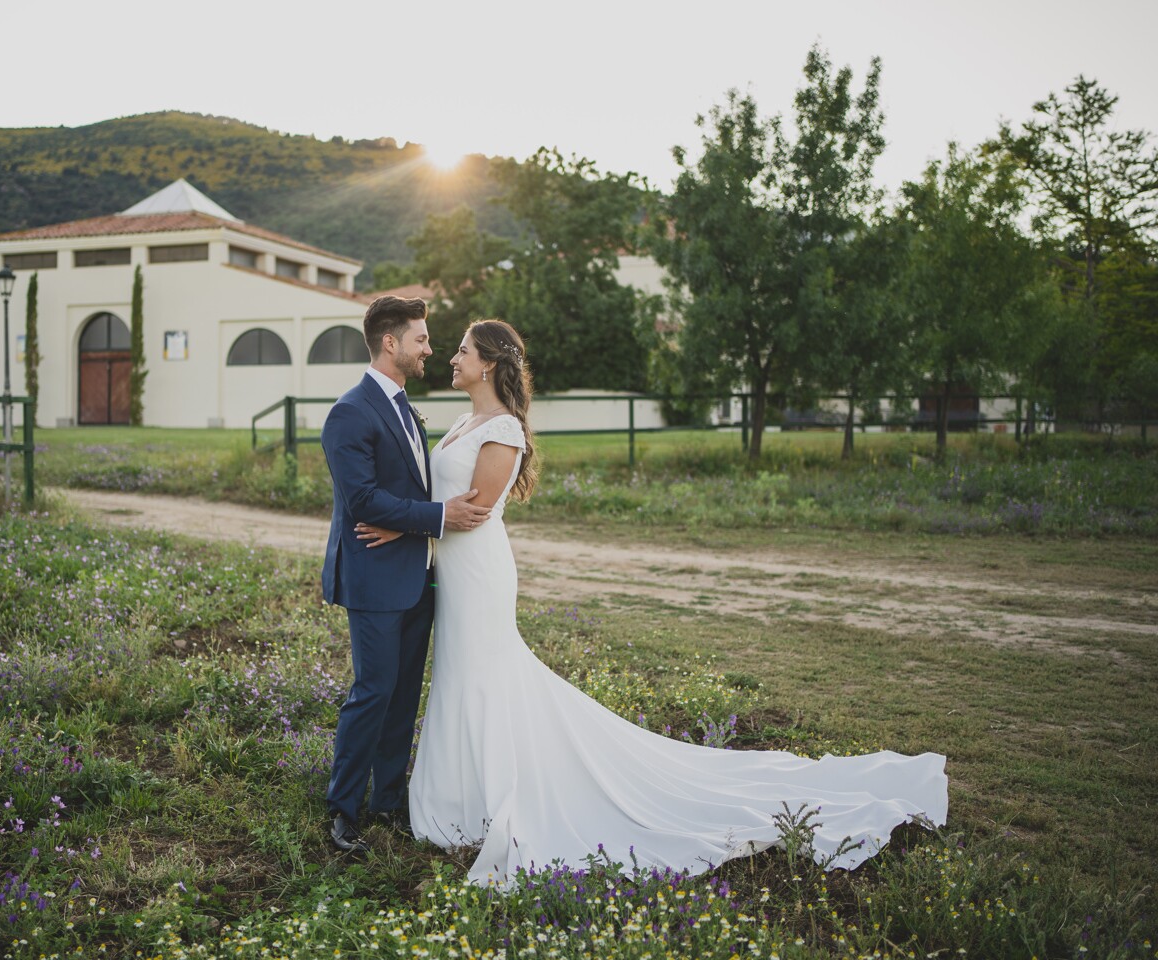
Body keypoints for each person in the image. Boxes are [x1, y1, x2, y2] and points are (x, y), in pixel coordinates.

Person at [360, 319, 948, 886]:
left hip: (480, 572)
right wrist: (406, 521)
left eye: (462, 349)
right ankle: (463, 794)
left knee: (486, 674)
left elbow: (473, 513)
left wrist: (404, 528)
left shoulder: (504, 429)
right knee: (462, 675)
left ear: (488, 363)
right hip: (453, 574)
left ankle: (493, 795)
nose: (452, 357)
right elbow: (438, 502)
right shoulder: (465, 421)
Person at [319, 295, 492, 854]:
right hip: (374, 579)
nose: (430, 350)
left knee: (402, 699)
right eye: (421, 339)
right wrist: (438, 518)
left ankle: (389, 803)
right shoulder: (350, 411)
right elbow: (363, 498)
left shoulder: (405, 409)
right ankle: (343, 811)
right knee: (372, 693)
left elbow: (411, 491)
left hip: (420, 577)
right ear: (390, 343)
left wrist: (416, 525)